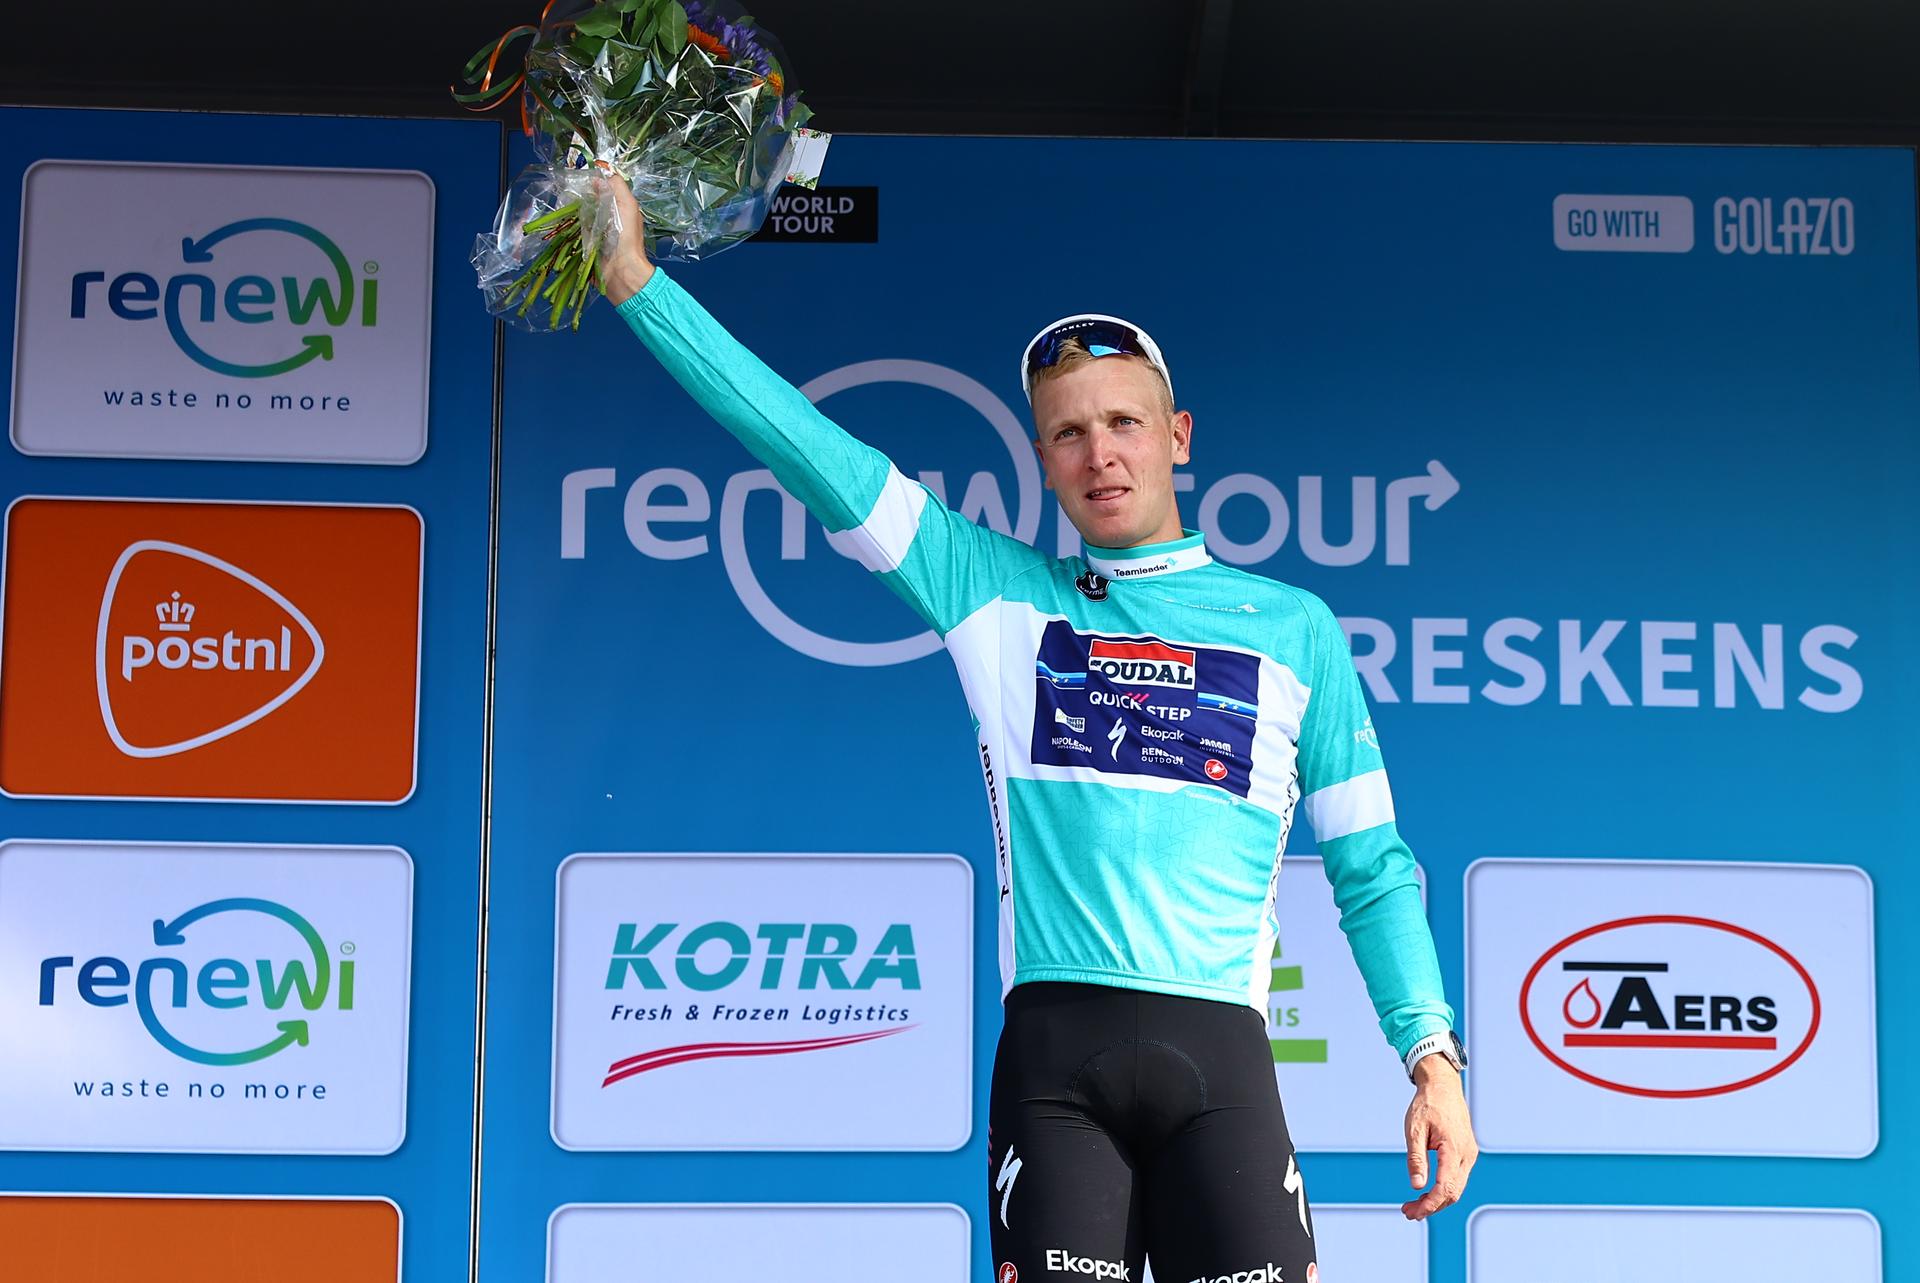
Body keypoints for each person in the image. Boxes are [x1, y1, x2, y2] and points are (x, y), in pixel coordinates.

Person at [595, 176, 1476, 1282]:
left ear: (1177, 436)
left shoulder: (1295, 630)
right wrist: (633, 281)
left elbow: (1372, 867)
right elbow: (802, 442)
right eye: (1068, 433)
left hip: (1225, 1068)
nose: (1100, 453)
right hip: (1058, 1074)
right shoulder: (993, 592)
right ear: (1043, 455)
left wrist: (1431, 1056)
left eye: (1123, 423)